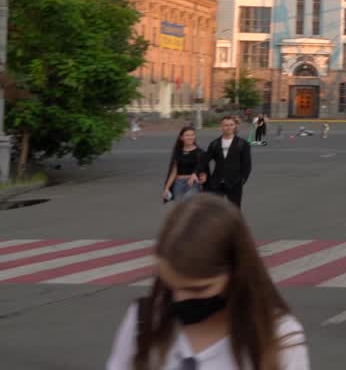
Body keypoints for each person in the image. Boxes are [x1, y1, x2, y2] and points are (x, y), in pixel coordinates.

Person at [106, 194, 309, 369]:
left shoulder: (279, 338)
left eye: (198, 289)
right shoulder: (144, 321)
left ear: (237, 272)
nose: (180, 299)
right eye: (171, 285)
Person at [204, 116, 252, 209]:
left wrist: (242, 180)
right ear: (221, 127)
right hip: (217, 182)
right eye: (226, 125)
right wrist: (200, 173)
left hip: (235, 182)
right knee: (215, 210)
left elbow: (247, 164)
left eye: (231, 125)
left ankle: (235, 224)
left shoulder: (242, 144)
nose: (229, 127)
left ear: (235, 126)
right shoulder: (214, 144)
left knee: (234, 209)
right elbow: (205, 160)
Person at [162, 126, 204, 203]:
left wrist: (203, 178)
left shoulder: (200, 152)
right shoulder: (178, 152)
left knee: (188, 203)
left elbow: (203, 169)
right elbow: (173, 172)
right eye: (187, 135)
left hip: (193, 184)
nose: (190, 137)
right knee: (180, 208)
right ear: (181, 137)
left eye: (192, 135)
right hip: (179, 183)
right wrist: (166, 188)